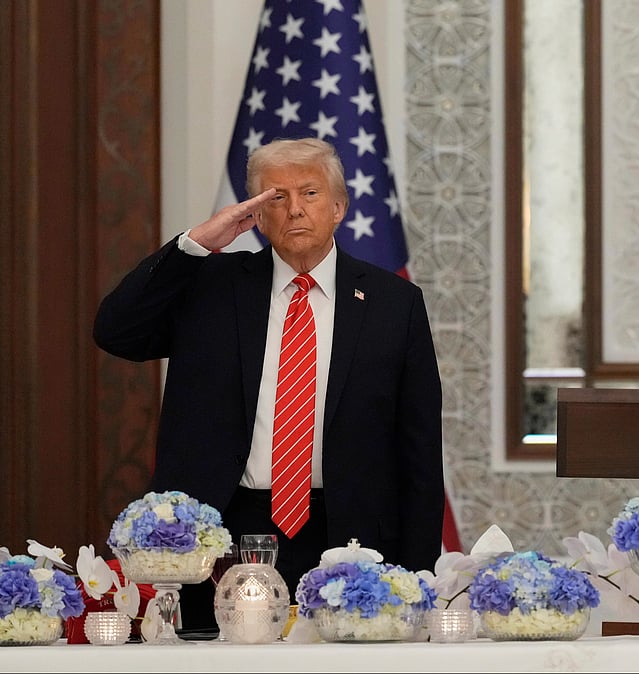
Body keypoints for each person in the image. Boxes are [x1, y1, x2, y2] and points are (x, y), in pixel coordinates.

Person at [94, 137, 444, 630]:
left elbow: (420, 449)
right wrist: (196, 244)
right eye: (276, 198)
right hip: (222, 535)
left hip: (353, 539)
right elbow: (116, 332)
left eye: (310, 193)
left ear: (340, 207)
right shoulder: (210, 285)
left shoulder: (395, 302)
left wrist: (420, 578)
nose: (295, 210)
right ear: (255, 214)